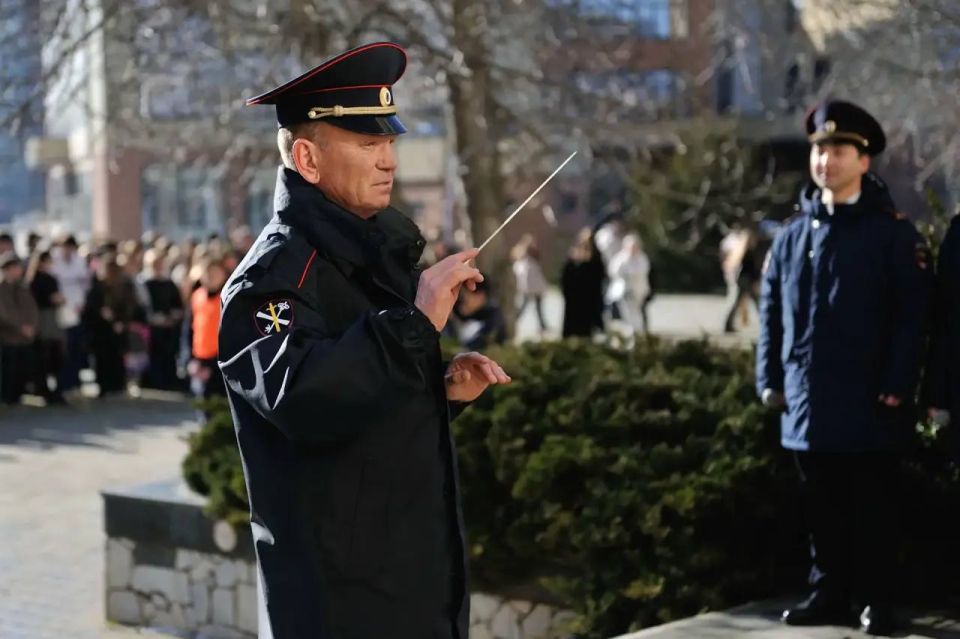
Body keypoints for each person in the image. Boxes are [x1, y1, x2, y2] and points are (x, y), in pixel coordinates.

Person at [218, 42, 511, 639]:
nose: (389, 163)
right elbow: (304, 400)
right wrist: (413, 327)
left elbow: (365, 403)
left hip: (414, 583)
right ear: (308, 158)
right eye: (369, 145)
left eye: (390, 145)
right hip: (340, 602)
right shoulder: (271, 278)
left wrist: (436, 385)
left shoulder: (371, 254)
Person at [756, 100, 931, 635]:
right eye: (818, 150)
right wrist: (769, 379)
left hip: (871, 401)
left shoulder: (892, 236)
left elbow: (912, 317)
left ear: (863, 160)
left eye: (837, 150)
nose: (825, 161)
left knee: (873, 509)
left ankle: (877, 600)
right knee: (821, 510)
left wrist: (899, 384)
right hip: (807, 402)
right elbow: (771, 314)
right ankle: (826, 594)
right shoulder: (792, 236)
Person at [83, 255, 139, 397]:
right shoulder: (97, 287)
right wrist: (100, 312)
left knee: (117, 358)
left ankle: (117, 385)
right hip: (101, 330)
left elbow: (129, 306)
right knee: (102, 359)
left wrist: (121, 322)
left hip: (118, 329)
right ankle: (104, 386)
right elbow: (91, 307)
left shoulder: (124, 287)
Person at [27, 250, 67, 404]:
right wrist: (51, 299)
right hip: (41, 321)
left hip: (53, 321)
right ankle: (42, 389)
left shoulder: (52, 279)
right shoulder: (33, 281)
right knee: (43, 357)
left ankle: (56, 390)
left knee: (56, 357)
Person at [51, 235, 91, 392]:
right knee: (63, 349)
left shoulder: (79, 262)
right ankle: (63, 382)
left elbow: (84, 285)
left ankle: (75, 380)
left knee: (76, 347)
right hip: (61, 310)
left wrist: (81, 305)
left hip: (77, 309)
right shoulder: (55, 262)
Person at [141, 249, 184, 391]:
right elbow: (144, 308)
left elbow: (177, 305)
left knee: (170, 356)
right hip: (154, 328)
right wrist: (156, 319)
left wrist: (173, 316)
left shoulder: (169, 283)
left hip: (170, 327)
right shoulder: (145, 284)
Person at [0, 252, 39, 405]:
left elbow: (32, 309)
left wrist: (32, 326)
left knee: (23, 369)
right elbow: (5, 313)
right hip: (8, 337)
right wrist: (20, 327)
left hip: (25, 337)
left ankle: (18, 395)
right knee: (9, 370)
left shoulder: (23, 287)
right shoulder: (2, 288)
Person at [189, 258, 227, 398]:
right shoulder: (197, 296)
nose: (210, 277)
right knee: (201, 401)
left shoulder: (226, 298)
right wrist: (190, 359)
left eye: (214, 273)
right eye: (207, 273)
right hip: (199, 357)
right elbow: (189, 328)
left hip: (220, 358)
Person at [560, 227, 606, 338]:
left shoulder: (596, 261)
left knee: (587, 332)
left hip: (589, 302)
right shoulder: (572, 261)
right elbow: (565, 279)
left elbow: (599, 278)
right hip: (573, 301)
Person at [607, 233, 651, 335]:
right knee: (627, 315)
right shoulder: (621, 258)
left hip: (639, 291)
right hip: (625, 291)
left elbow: (644, 273)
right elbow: (614, 272)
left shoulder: (642, 258)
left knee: (637, 314)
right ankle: (629, 333)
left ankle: (638, 333)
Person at [722, 228, 762, 333]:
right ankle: (728, 324)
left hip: (743, 280)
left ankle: (728, 324)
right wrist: (755, 280)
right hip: (745, 280)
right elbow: (750, 269)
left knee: (754, 303)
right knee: (756, 303)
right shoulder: (747, 253)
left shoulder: (742, 253)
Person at [453, 276, 507, 351]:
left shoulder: (492, 319)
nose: (462, 301)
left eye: (464, 297)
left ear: (480, 296)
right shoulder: (459, 312)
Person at [511, 234, 549, 334]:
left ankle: (542, 326)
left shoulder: (534, 254)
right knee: (523, 306)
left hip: (535, 285)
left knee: (538, 307)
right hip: (528, 285)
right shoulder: (521, 254)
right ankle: (512, 321)